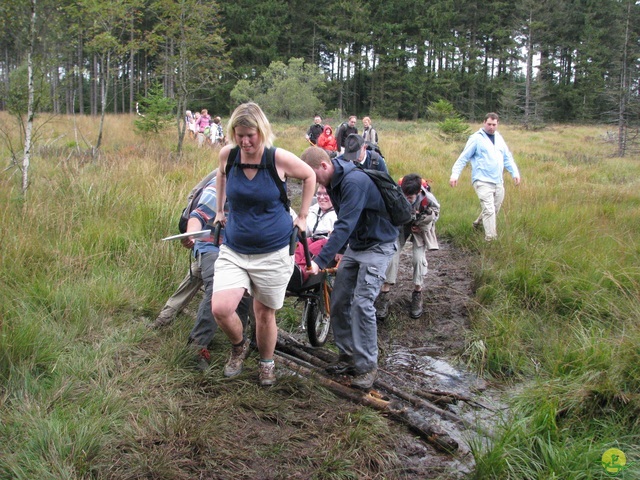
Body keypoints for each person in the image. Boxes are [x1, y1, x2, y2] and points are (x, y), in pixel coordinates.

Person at [211, 102, 316, 387]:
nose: (245, 141)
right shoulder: (228, 156)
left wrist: (303, 216)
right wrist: (220, 211)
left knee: (263, 313)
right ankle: (239, 345)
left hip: (273, 250)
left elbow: (310, 175)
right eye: (239, 134)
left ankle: (266, 363)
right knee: (220, 308)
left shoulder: (277, 159)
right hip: (234, 247)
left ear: (262, 131)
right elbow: (220, 174)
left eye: (250, 135)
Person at [301, 146, 398, 390]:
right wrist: (342, 252)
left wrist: (320, 261)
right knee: (340, 299)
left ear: (323, 166)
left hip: (378, 246)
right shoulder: (333, 182)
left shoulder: (353, 181)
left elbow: (343, 224)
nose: (313, 183)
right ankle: (347, 355)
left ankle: (367, 366)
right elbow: (347, 223)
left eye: (312, 175)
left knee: (362, 304)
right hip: (356, 244)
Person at [180, 175, 253, 371]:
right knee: (217, 286)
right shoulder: (222, 183)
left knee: (246, 290)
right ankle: (197, 346)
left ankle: (238, 343)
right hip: (212, 244)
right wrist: (191, 235)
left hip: (240, 248)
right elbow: (199, 214)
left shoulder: (263, 182)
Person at [375, 174, 440, 320]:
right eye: (404, 196)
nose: (406, 200)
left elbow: (436, 214)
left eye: (410, 198)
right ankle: (384, 293)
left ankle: (418, 292)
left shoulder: (428, 199)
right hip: (400, 226)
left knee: (418, 259)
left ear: (418, 193)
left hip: (419, 227)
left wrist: (422, 223)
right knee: (391, 255)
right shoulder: (395, 194)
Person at [449, 112, 521, 241]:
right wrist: (455, 175)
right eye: (489, 124)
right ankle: (491, 239)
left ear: (497, 124)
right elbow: (463, 157)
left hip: (498, 181)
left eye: (494, 124)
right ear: (484, 123)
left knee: (495, 208)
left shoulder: (499, 138)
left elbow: (507, 158)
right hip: (482, 180)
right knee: (489, 210)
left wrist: (514, 173)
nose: (491, 127)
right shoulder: (476, 138)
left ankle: (478, 224)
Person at [294, 184, 338, 281]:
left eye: (326, 194)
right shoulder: (313, 210)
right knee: (301, 244)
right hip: (312, 239)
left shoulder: (338, 213)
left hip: (328, 247)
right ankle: (292, 267)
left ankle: (301, 272)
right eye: (319, 194)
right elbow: (306, 231)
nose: (321, 197)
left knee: (319, 244)